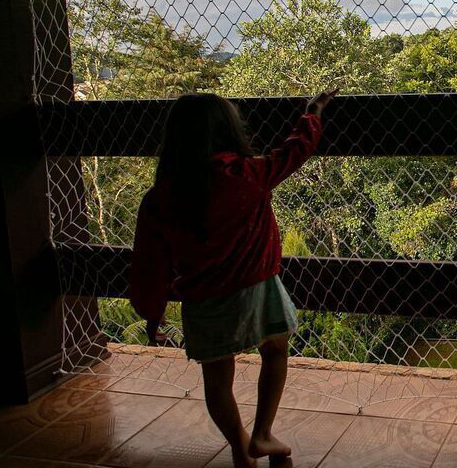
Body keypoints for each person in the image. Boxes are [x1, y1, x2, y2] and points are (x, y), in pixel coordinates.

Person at [130, 89, 337, 468]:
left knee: (217, 377)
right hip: (257, 286)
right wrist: (312, 114)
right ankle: (263, 433)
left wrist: (151, 311)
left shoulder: (160, 197)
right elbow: (295, 151)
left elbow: (150, 262)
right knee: (275, 349)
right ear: (229, 130)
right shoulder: (248, 175)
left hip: (202, 296)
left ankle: (239, 447)